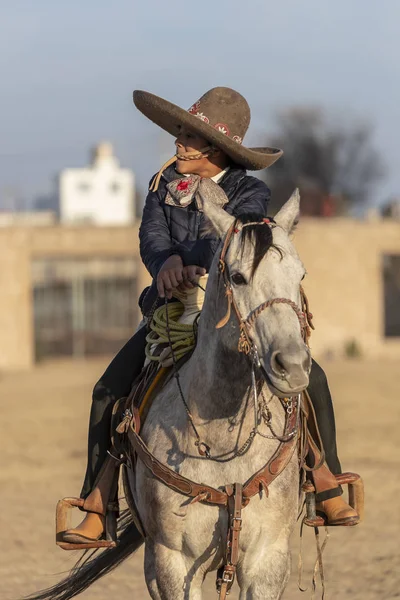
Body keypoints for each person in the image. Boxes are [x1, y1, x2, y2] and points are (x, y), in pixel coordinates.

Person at [62, 87, 358, 546]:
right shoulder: (162, 185)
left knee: (311, 379)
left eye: (188, 136)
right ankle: (97, 503)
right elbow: (151, 235)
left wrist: (193, 261)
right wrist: (164, 265)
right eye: (180, 133)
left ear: (215, 149)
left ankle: (326, 481)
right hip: (170, 314)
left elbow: (237, 238)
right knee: (107, 391)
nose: (178, 142)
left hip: (232, 311)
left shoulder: (250, 191)